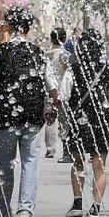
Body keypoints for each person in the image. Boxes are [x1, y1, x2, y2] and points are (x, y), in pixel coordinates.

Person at [0, 7, 59, 217]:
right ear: (28, 27)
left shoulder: (0, 52)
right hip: (33, 116)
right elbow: (53, 87)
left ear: (10, 26)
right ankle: (25, 209)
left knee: (4, 163)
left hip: (6, 116)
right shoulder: (39, 52)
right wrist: (51, 108)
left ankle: (3, 207)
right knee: (30, 161)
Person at [60, 32, 109, 217]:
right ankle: (95, 209)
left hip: (79, 122)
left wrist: (64, 120)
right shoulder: (108, 69)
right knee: (99, 166)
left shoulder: (73, 70)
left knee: (78, 163)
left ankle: (77, 203)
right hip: (102, 122)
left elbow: (64, 96)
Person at [44, 28, 70, 159]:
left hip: (49, 92)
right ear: (64, 39)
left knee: (50, 120)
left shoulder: (45, 55)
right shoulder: (66, 55)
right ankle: (66, 149)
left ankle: (50, 149)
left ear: (51, 39)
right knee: (65, 121)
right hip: (64, 92)